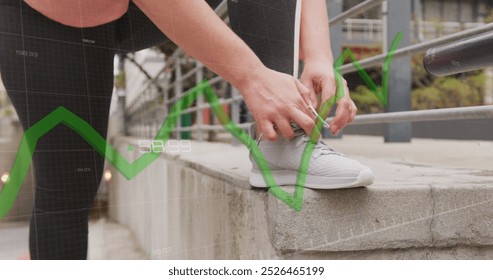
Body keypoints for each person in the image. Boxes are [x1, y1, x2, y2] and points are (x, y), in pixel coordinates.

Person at [0, 0, 372, 259]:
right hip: (49, 14)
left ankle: (281, 139)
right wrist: (252, 78)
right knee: (69, 183)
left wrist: (320, 55)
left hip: (134, 12)